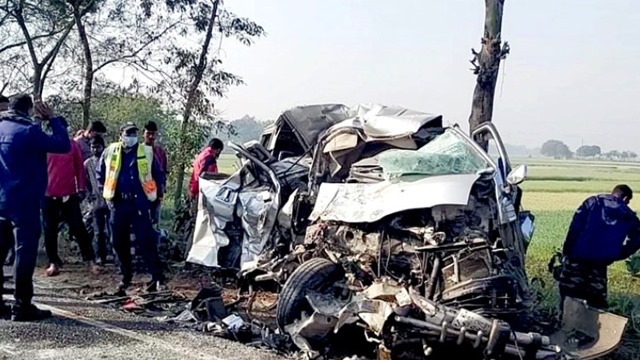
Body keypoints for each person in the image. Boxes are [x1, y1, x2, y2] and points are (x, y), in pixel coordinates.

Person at [0, 95, 71, 321]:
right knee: (24, 251)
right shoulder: (29, 131)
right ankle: (22, 306)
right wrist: (51, 118)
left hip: (1, 198)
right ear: (29, 110)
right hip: (25, 200)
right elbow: (62, 145)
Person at [97, 122, 166, 295]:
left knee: (146, 240)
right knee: (118, 242)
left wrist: (157, 197)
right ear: (121, 134)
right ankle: (125, 277)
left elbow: (158, 174)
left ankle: (157, 277)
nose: (131, 137)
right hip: (117, 203)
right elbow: (101, 173)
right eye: (128, 133)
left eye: (134, 133)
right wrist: (105, 194)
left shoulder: (147, 152)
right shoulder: (111, 151)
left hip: (139, 203)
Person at [554, 184, 640, 312]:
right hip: (600, 264)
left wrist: (567, 251)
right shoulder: (628, 215)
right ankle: (593, 329)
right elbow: (638, 238)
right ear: (626, 198)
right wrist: (620, 253)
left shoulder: (592, 202)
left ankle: (566, 326)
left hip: (577, 258)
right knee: (596, 303)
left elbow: (575, 228)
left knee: (568, 297)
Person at [42, 132, 99, 277]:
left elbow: (79, 168)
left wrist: (80, 188)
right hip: (48, 193)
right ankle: (54, 262)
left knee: (78, 228)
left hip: (69, 194)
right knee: (50, 230)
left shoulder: (72, 145)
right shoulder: (44, 145)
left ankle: (91, 261)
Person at [84, 135, 112, 265]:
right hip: (96, 202)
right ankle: (100, 256)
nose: (95, 149)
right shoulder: (88, 163)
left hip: (111, 200)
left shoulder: (109, 161)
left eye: (98, 147)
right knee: (98, 231)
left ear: (103, 147)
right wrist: (89, 194)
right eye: (92, 147)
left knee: (113, 230)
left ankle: (114, 254)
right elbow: (85, 181)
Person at [143, 121, 168, 227]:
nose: (151, 136)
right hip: (142, 193)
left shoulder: (160, 152)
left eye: (153, 134)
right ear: (143, 133)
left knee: (154, 223)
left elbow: (164, 173)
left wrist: (162, 189)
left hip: (156, 194)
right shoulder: (138, 151)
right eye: (148, 133)